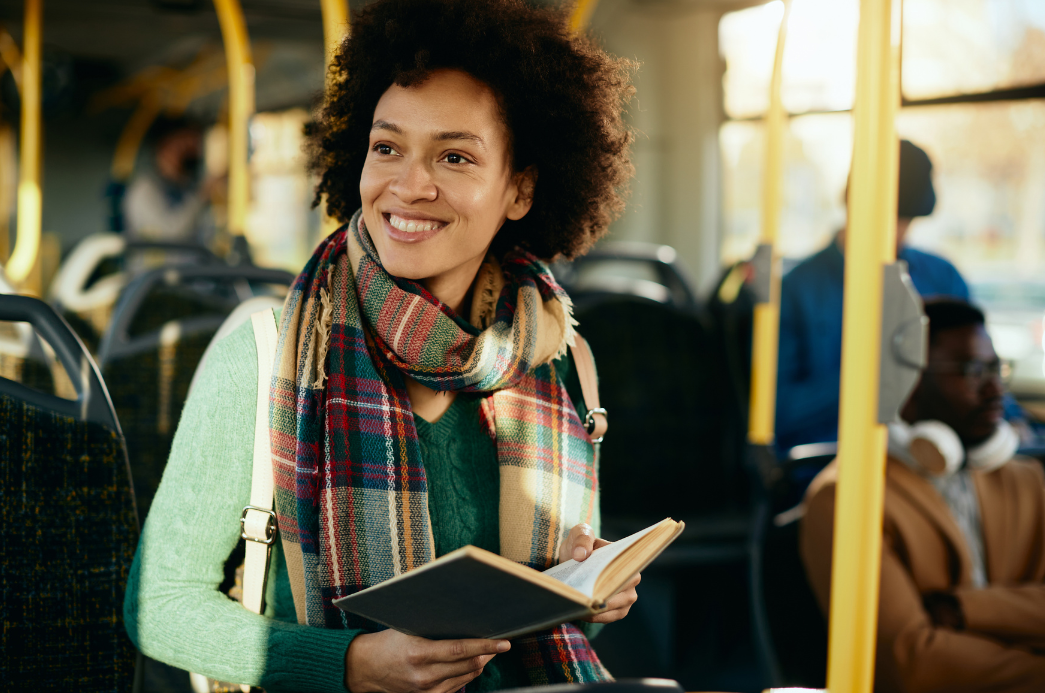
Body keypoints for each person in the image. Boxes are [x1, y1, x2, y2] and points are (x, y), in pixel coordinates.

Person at [123, 0, 638, 690]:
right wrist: (352, 665)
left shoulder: (560, 361)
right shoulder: (266, 351)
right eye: (387, 147)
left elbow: (562, 623)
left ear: (519, 189)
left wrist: (591, 593)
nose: (408, 185)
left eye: (454, 156)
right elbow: (159, 605)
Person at [801, 299, 1045, 693]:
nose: (996, 388)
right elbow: (913, 661)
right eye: (972, 371)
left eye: (996, 369)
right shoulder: (845, 499)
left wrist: (963, 610)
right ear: (906, 386)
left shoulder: (1025, 481)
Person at [775, 140, 969, 453]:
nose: (896, 232)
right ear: (853, 204)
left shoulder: (942, 278)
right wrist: (874, 373)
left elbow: (976, 367)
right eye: (886, 216)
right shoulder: (797, 290)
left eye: (906, 220)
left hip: (932, 451)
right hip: (832, 455)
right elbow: (780, 411)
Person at [122, 116, 216, 248]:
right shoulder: (144, 189)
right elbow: (168, 237)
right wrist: (201, 196)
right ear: (164, 147)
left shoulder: (186, 184)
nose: (190, 154)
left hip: (193, 263)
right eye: (182, 146)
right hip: (159, 267)